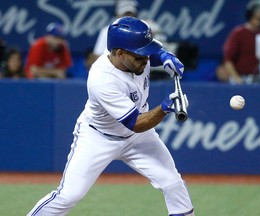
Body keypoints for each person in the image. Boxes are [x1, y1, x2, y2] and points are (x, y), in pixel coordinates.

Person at [27, 17, 194, 216]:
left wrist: (166, 56)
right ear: (120, 53)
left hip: (137, 138)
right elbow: (136, 123)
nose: (146, 60)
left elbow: (152, 53)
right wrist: (165, 108)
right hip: (99, 138)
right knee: (69, 195)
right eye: (140, 56)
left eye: (147, 54)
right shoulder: (102, 79)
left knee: (173, 183)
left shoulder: (133, 55)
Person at [216, 0, 260, 84]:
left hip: (259, 79)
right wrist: (236, 78)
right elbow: (228, 60)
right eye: (256, 19)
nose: (259, 22)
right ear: (250, 16)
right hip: (240, 78)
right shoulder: (238, 33)